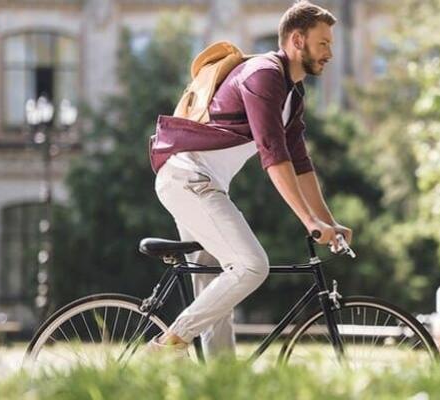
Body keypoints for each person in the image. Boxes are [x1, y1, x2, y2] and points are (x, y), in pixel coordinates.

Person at [148, 1, 352, 358]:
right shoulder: (263, 75)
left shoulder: (293, 92)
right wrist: (309, 221)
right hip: (188, 179)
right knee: (251, 265)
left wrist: (327, 221)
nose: (330, 53)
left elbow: (301, 163)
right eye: (323, 44)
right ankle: (169, 343)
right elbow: (273, 153)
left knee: (218, 296)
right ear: (297, 40)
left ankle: (221, 386)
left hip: (199, 184)